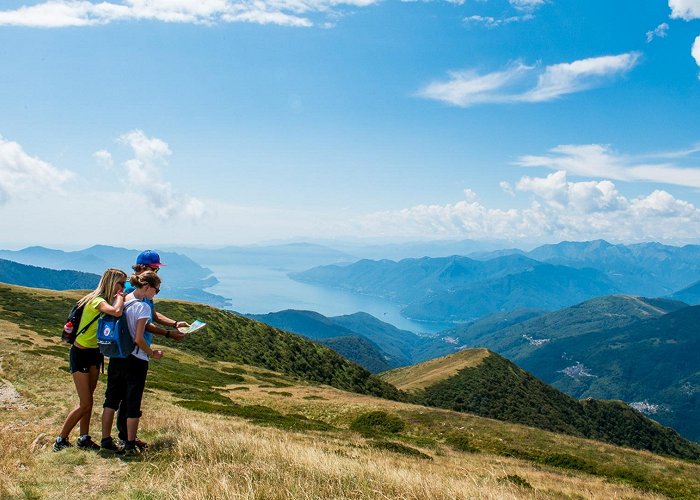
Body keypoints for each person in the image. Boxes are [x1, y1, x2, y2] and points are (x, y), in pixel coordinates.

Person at [111, 250, 189, 450]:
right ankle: (126, 438)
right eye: (155, 268)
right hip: (133, 350)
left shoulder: (139, 289)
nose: (158, 271)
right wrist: (168, 334)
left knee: (122, 395)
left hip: (129, 349)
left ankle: (124, 436)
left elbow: (152, 314)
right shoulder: (135, 290)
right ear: (144, 268)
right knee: (129, 395)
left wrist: (174, 323)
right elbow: (143, 323)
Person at [53, 268, 127, 452]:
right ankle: (60, 440)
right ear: (111, 283)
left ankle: (83, 438)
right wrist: (120, 297)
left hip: (95, 354)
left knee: (89, 401)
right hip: (80, 354)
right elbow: (116, 312)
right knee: (85, 403)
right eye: (120, 283)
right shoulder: (97, 301)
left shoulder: (103, 300)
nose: (123, 287)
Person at [101, 271, 164, 455]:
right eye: (156, 290)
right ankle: (129, 444)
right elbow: (138, 338)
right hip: (135, 360)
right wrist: (152, 353)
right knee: (132, 403)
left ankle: (105, 439)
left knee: (111, 400)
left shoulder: (122, 299)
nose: (156, 293)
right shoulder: (143, 307)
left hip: (117, 356)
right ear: (147, 287)